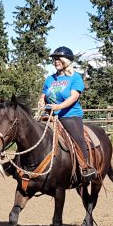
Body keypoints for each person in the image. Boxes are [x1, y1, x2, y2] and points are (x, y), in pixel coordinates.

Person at [38, 46, 96, 183]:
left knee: (77, 138)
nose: (55, 61)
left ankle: (85, 166)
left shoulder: (75, 78)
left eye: (58, 59)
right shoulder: (50, 79)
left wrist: (59, 107)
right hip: (49, 115)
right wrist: (41, 101)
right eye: (54, 59)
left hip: (69, 115)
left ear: (66, 61)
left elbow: (74, 97)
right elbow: (43, 95)